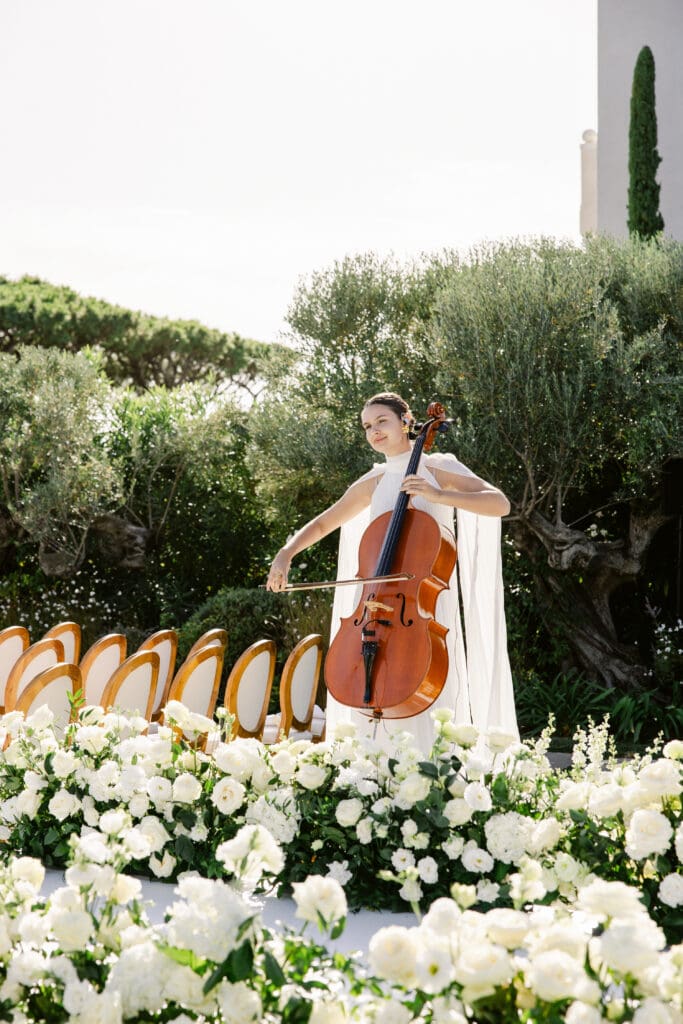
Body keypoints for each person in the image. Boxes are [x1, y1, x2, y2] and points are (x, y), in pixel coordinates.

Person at [266, 392, 518, 752]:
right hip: (374, 605)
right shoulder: (376, 478)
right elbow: (325, 523)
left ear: (406, 421)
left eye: (381, 421)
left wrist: (438, 494)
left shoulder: (437, 466)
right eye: (367, 426)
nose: (374, 431)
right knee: (369, 709)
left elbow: (499, 503)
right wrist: (286, 553)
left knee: (426, 702)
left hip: (420, 608)